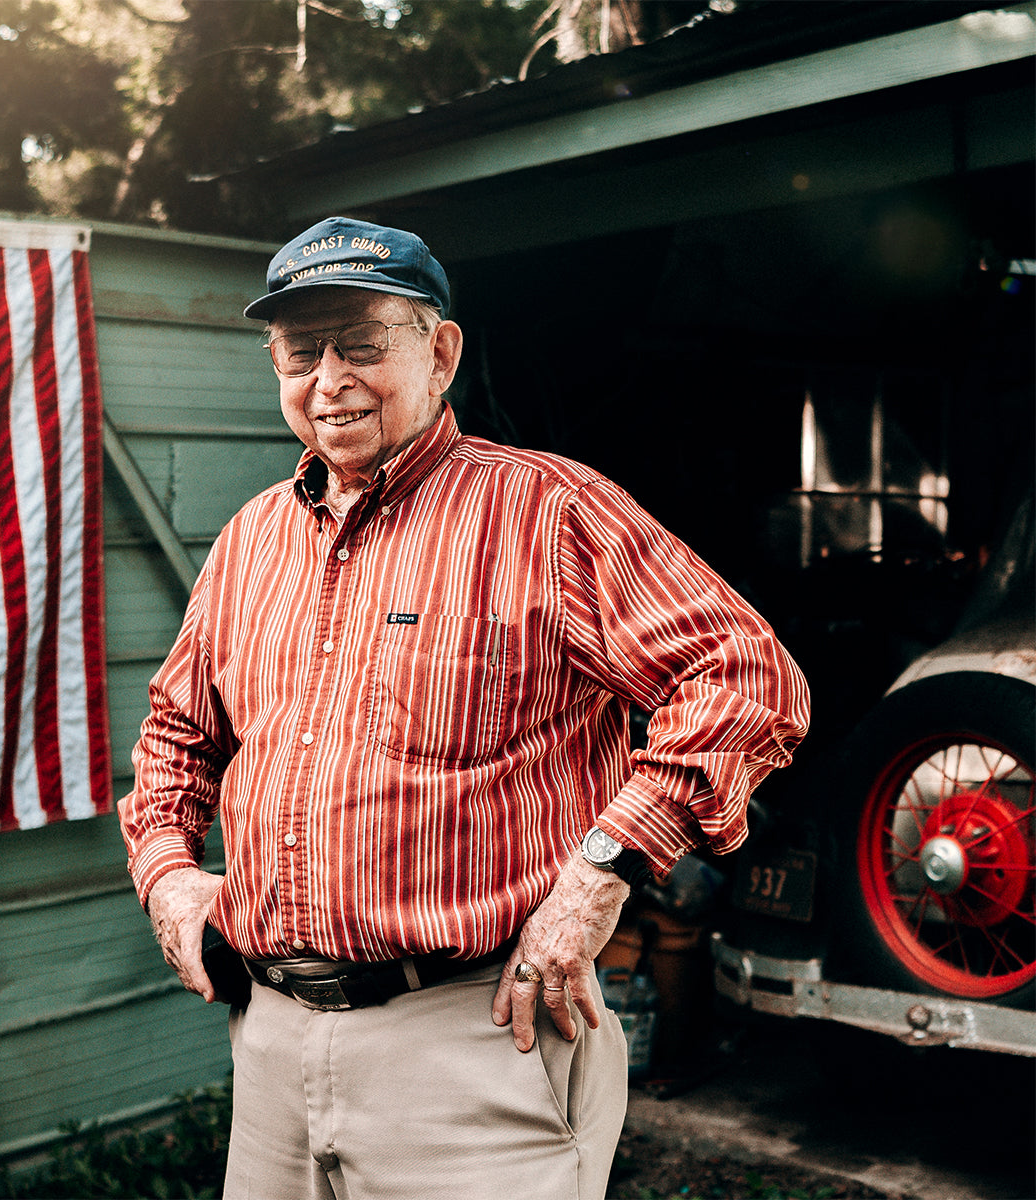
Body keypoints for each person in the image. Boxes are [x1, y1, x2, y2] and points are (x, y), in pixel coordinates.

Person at [118, 216, 810, 1199]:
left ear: (440, 352)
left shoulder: (551, 511)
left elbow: (745, 677)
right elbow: (175, 738)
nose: (330, 378)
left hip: (481, 1035)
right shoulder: (250, 543)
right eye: (300, 351)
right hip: (268, 1040)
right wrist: (170, 884)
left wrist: (598, 879)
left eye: (362, 344)